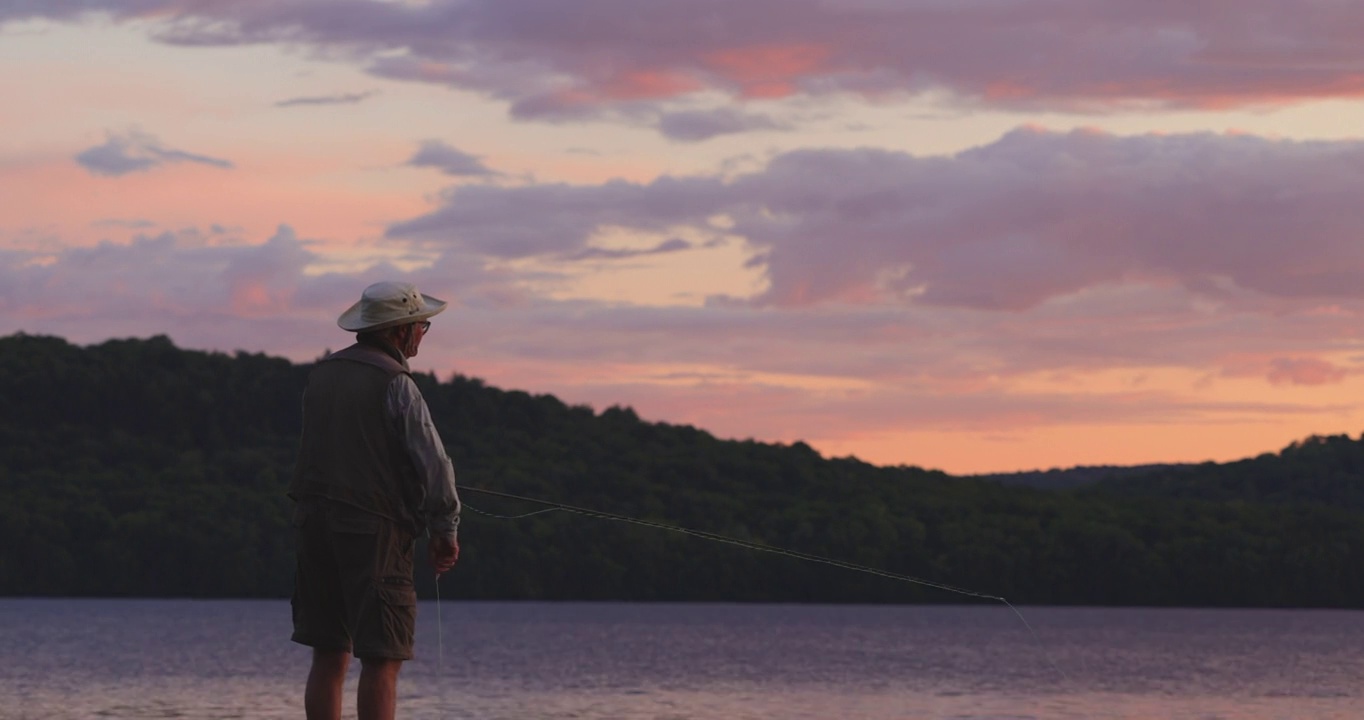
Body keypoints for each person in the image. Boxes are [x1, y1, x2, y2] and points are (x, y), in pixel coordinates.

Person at [289, 280, 462, 720]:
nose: (423, 333)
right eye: (422, 325)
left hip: (314, 528)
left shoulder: (321, 375)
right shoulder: (396, 382)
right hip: (374, 533)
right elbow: (434, 462)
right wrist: (445, 530)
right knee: (382, 658)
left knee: (329, 653)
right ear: (400, 331)